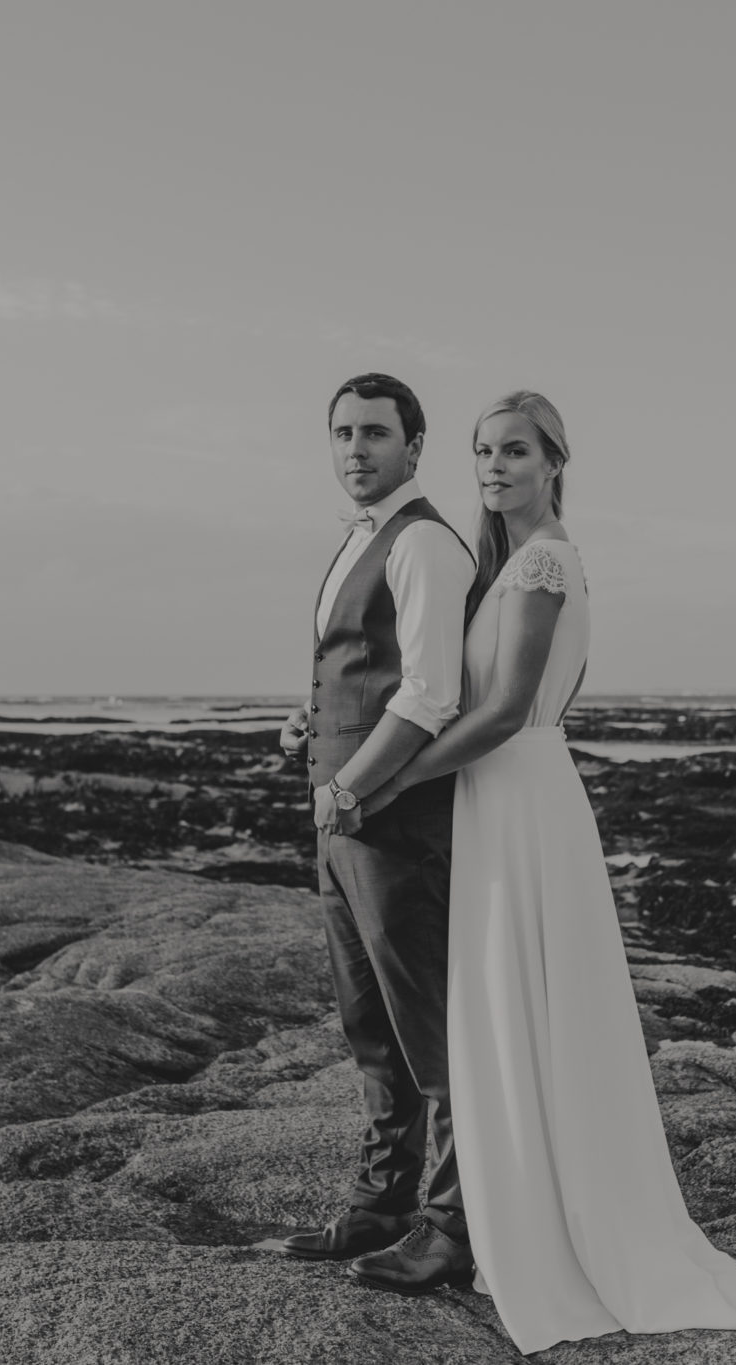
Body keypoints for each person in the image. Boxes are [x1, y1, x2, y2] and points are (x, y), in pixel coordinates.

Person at [352, 391, 736, 1352]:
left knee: (521, 1003)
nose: (494, 468)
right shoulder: (507, 566)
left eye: (514, 451)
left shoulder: (545, 561)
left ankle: (525, 1227)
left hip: (521, 799)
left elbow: (508, 711)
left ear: (554, 462)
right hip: (504, 798)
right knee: (511, 1009)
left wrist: (386, 781)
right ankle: (495, 1213)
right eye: (481, 453)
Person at [269, 373, 479, 1292]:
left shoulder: (425, 542)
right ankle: (384, 1202)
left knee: (426, 1028)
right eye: (343, 434)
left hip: (388, 820)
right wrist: (308, 727)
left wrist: (350, 781)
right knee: (367, 1024)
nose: (356, 450)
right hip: (340, 818)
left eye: (376, 434)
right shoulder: (359, 541)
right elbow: (358, 672)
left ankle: (449, 1224)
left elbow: (430, 693)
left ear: (414, 444)